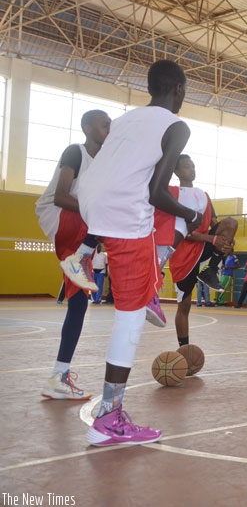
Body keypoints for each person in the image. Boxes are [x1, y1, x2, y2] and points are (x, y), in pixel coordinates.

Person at [77, 59, 200, 446]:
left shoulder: (129, 117)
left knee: (149, 238)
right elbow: (157, 192)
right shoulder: (176, 126)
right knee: (128, 322)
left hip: (90, 205)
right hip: (122, 213)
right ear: (178, 90)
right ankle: (109, 419)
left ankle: (127, 280)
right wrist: (190, 213)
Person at [35, 109, 111, 400]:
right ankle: (82, 255)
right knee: (111, 213)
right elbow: (61, 196)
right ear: (88, 127)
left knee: (78, 304)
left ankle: (59, 377)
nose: (109, 129)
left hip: (80, 227)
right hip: (59, 216)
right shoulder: (76, 152)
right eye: (105, 125)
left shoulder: (104, 163)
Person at [159, 154, 237, 347]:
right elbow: (183, 232)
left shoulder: (204, 195)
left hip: (203, 248)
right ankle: (184, 348)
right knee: (184, 306)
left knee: (231, 223)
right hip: (183, 255)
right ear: (176, 171)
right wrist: (214, 239)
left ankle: (210, 269)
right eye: (186, 166)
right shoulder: (172, 194)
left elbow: (217, 224)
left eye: (193, 166)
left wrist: (227, 242)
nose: (191, 169)